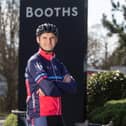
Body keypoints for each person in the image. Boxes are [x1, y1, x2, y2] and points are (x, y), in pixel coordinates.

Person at [25, 23, 77, 126]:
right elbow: (50, 89)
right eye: (44, 38)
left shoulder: (58, 64)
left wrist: (53, 85)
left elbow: (73, 88)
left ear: (56, 40)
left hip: (57, 114)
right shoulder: (34, 61)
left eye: (52, 38)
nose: (48, 42)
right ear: (38, 39)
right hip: (39, 114)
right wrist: (62, 83)